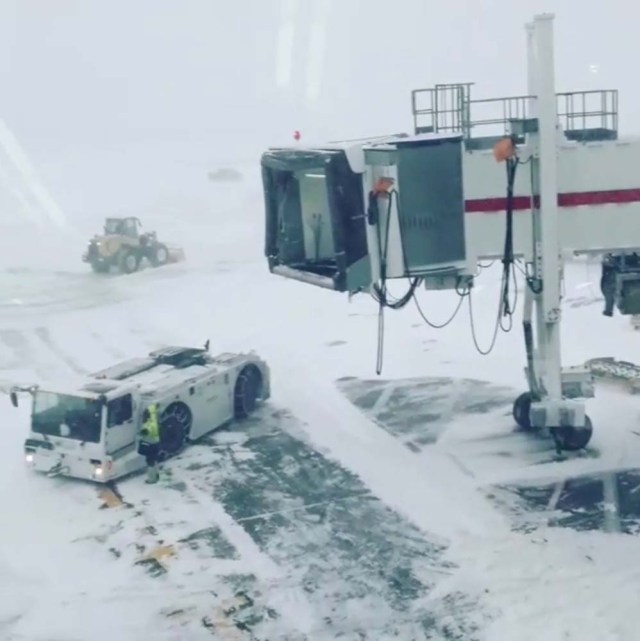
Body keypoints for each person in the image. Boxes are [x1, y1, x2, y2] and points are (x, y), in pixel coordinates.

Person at [139, 403, 160, 484]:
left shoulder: (148, 426)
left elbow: (148, 431)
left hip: (151, 445)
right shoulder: (153, 417)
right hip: (156, 443)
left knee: (150, 462)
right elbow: (153, 408)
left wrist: (143, 433)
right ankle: (156, 474)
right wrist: (155, 406)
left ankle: (152, 479)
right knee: (155, 460)